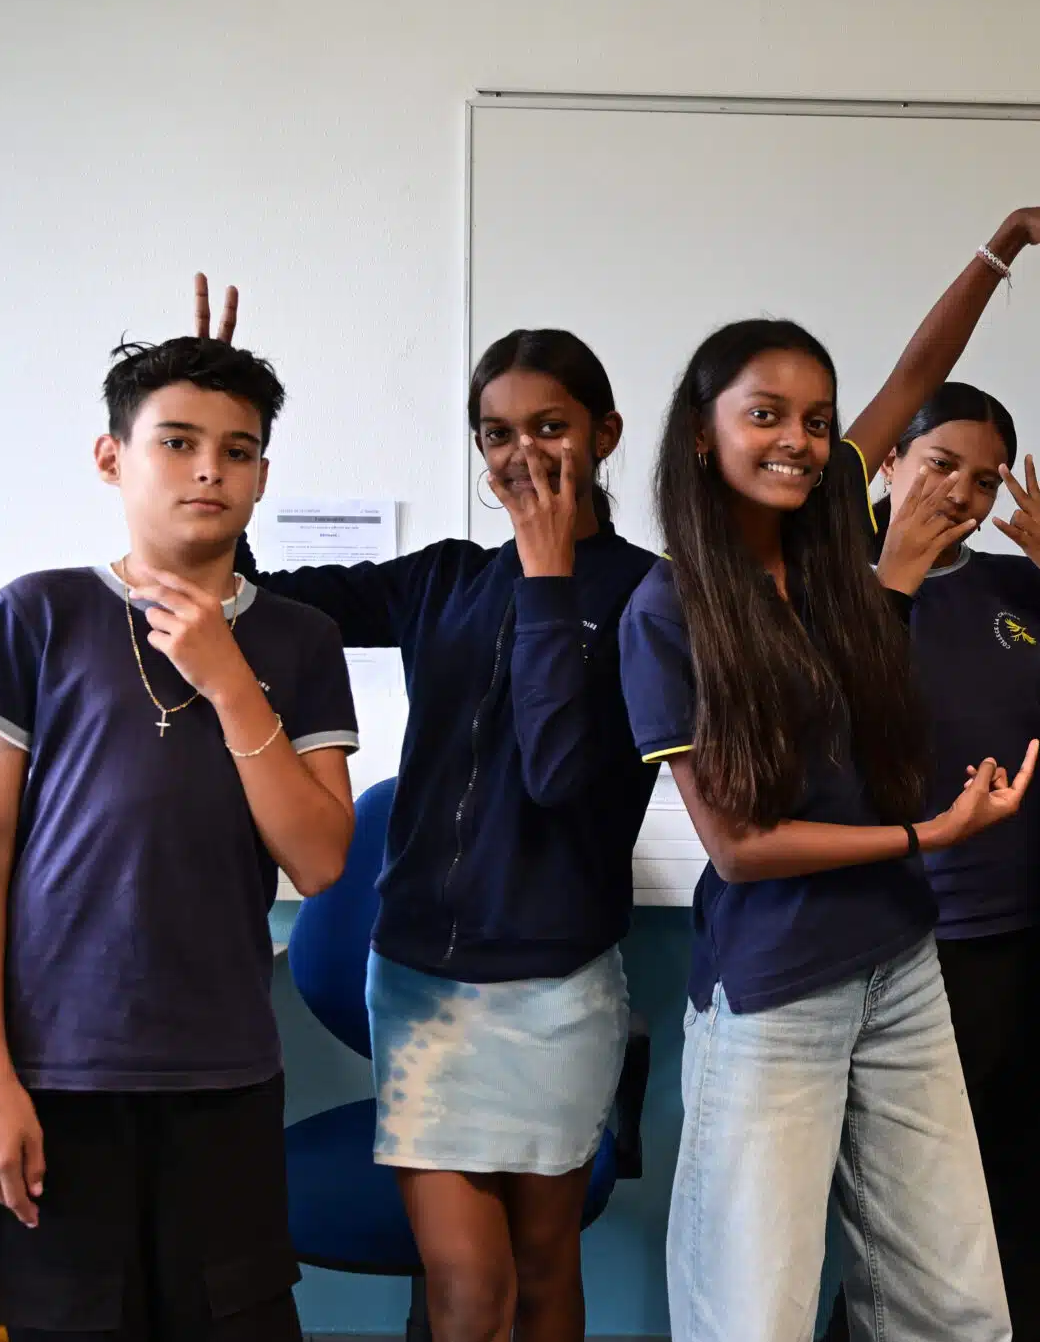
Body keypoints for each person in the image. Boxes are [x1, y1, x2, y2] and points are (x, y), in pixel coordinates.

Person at [619, 207, 1040, 1342]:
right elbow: (743, 844)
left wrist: (1004, 245)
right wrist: (925, 838)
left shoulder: (826, 541)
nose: (797, 440)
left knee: (955, 1308)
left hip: (898, 968)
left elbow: (916, 371)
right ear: (702, 437)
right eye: (763, 416)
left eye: (816, 420)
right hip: (777, 985)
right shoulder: (672, 611)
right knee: (758, 1314)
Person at [218, 278, 657, 1342]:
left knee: (546, 1267)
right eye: (495, 433)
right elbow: (253, 606)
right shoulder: (443, 581)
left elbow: (561, 772)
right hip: (419, 978)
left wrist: (550, 577)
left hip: (558, 983)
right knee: (468, 1287)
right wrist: (215, 428)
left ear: (603, 433)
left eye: (548, 427)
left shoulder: (654, 599)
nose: (520, 454)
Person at [0, 336, 358, 1340]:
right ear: (111, 457)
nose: (209, 468)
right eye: (176, 442)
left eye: (238, 448)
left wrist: (225, 675)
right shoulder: (37, 615)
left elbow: (319, 857)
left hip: (223, 1078)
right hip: (55, 1078)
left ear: (263, 473)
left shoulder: (298, 642)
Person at [819, 383, 1040, 1342]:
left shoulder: (1015, 592)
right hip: (908, 944)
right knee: (910, 1219)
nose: (962, 496)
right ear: (887, 464)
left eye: (985, 480)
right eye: (941, 465)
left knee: (1038, 1193)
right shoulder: (828, 589)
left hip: (1038, 942)